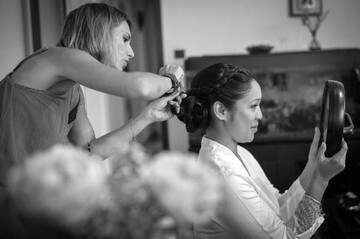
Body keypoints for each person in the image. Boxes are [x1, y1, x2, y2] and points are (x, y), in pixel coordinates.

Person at [0, 3, 185, 188]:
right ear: (100, 33)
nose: (131, 52)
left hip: (30, 196)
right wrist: (171, 78)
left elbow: (89, 153)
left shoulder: (72, 90)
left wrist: (147, 116)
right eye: (125, 39)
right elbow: (141, 87)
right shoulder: (58, 57)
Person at [177, 63, 348, 239]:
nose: (260, 115)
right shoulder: (225, 177)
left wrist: (313, 165)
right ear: (221, 111)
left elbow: (278, 207)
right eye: (253, 106)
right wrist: (320, 179)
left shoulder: (239, 153)